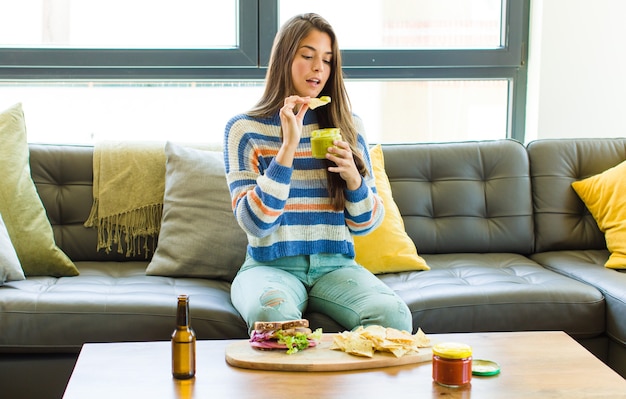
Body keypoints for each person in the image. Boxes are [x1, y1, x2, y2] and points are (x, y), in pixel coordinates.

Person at [223, 13, 412, 333]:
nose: (318, 68)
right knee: (271, 318)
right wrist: (287, 149)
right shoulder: (244, 129)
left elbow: (368, 225)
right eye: (308, 56)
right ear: (285, 59)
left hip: (336, 266)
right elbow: (254, 222)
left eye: (326, 60)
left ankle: (341, 381)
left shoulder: (349, 126)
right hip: (269, 266)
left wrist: (353, 179)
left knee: (393, 316)